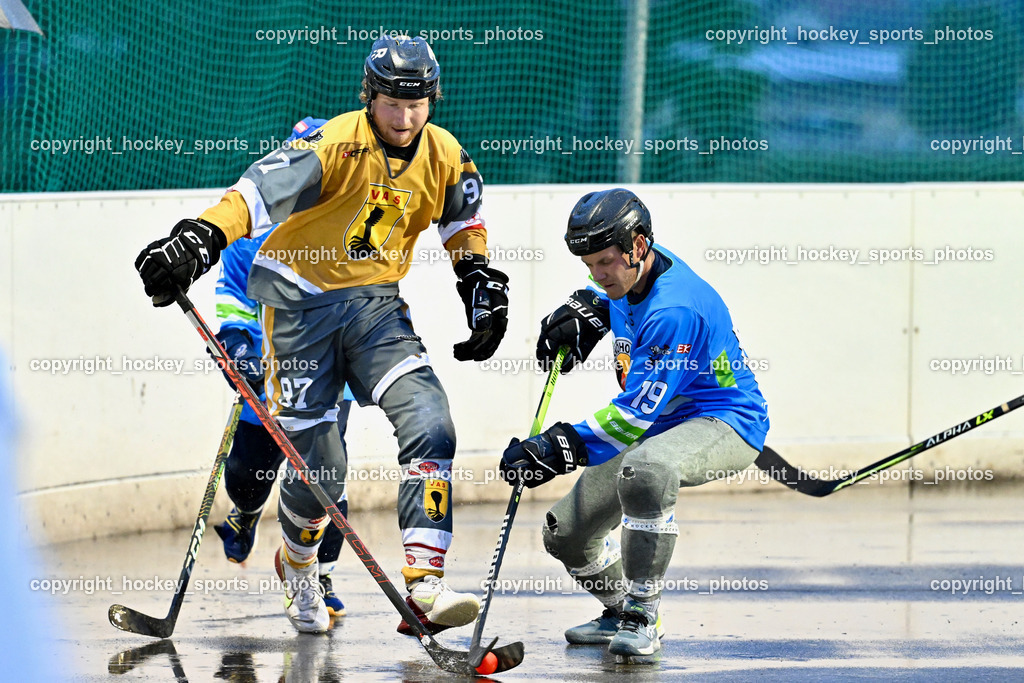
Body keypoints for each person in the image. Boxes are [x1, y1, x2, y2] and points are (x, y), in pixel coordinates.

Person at [135, 37, 509, 635]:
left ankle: (426, 584)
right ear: (370, 96)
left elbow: (462, 220)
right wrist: (200, 238)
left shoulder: (444, 153)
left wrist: (479, 279)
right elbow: (258, 192)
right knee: (323, 476)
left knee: (431, 421)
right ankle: (299, 565)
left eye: (417, 104)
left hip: (375, 309)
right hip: (299, 311)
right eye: (392, 102)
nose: (405, 118)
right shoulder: (335, 141)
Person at [501, 188, 769, 657]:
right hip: (660, 421)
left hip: (723, 418)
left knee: (646, 469)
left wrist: (556, 446)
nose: (598, 274)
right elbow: (621, 301)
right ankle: (619, 609)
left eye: (605, 263)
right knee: (566, 533)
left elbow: (631, 416)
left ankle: (644, 614)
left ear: (638, 245)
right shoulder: (634, 270)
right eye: (588, 265)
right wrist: (590, 308)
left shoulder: (675, 310)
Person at [210, 116, 351, 618]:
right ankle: (246, 513)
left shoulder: (352, 231)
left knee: (324, 475)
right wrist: (237, 344)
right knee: (251, 473)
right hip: (268, 375)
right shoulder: (253, 235)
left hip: (327, 380)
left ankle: (319, 574)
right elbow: (231, 294)